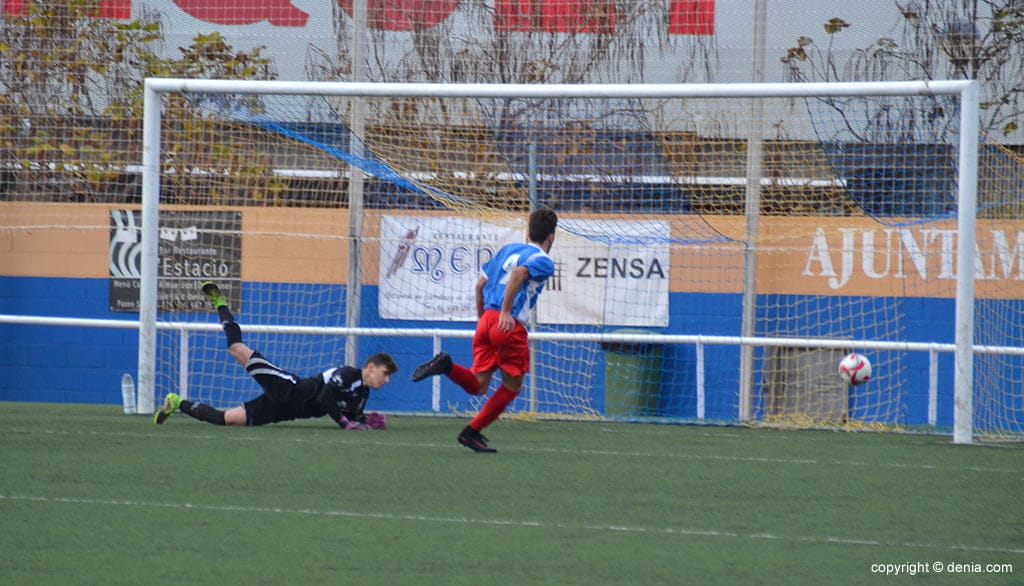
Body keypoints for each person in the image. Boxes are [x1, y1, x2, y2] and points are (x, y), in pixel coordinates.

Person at [153, 281, 397, 430]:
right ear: (371, 367)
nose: (385, 381)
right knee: (236, 348)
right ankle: (220, 302)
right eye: (385, 374)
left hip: (281, 410)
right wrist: (345, 424)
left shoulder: (362, 393)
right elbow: (325, 399)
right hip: (287, 388)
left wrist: (367, 421)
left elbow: (352, 414)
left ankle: (176, 402)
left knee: (223, 419)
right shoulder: (347, 374)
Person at [410, 208, 558, 453]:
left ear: (527, 232)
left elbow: (480, 285)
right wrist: (507, 312)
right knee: (512, 386)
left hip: (487, 321)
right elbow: (520, 274)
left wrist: (484, 321)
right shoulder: (543, 259)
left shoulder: (508, 250)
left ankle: (447, 366)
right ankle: (471, 432)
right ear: (551, 237)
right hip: (508, 324)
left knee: (478, 385)